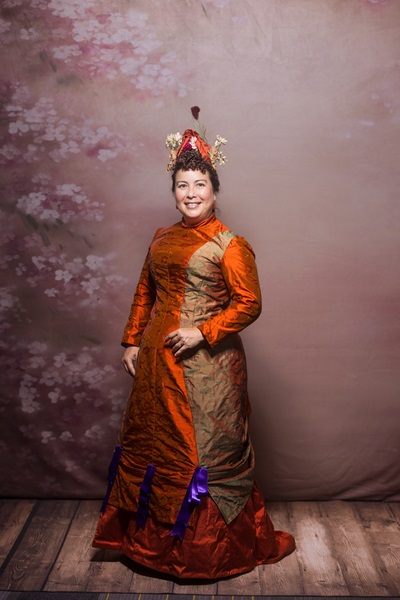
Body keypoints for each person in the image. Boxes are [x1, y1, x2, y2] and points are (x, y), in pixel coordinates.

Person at [92, 126, 295, 579]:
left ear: (215, 191)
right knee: (154, 447)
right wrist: (131, 339)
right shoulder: (162, 237)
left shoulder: (229, 244)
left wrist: (203, 332)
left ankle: (205, 554)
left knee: (199, 452)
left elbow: (249, 304)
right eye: (182, 185)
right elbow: (145, 291)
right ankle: (149, 549)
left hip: (207, 369)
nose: (190, 193)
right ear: (174, 192)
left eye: (199, 184)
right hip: (155, 366)